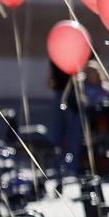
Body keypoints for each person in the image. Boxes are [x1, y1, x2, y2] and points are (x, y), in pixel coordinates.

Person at [47, 59, 82, 190]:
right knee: (66, 133)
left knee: (67, 133)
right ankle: (64, 166)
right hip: (67, 93)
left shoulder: (57, 55)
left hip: (71, 95)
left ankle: (65, 166)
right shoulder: (57, 56)